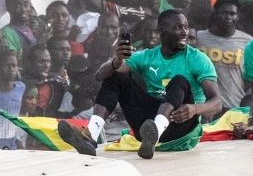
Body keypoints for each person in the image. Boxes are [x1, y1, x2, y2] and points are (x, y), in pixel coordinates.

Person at [58, 8, 222, 159]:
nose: (184, 32)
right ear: (161, 31)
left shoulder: (197, 59)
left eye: (186, 27)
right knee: (116, 75)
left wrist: (194, 109)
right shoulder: (147, 56)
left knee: (179, 81)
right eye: (178, 28)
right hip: (146, 129)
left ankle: (156, 131)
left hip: (181, 127)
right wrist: (116, 61)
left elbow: (217, 103)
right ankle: (91, 136)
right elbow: (100, 76)